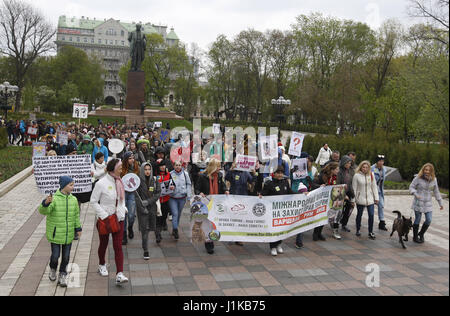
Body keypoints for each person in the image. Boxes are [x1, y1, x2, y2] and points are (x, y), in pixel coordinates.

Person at [90, 158, 129, 284]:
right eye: (120, 167)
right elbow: (93, 201)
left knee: (118, 246)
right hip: (105, 219)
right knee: (104, 244)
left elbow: (121, 199)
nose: (122, 169)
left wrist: (124, 209)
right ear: (113, 168)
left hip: (119, 218)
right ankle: (102, 264)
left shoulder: (120, 181)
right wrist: (104, 215)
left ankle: (119, 274)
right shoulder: (101, 183)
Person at [39, 176, 82, 287]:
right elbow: (44, 211)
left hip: (68, 234)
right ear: (63, 186)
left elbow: (76, 215)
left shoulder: (73, 199)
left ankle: (62, 274)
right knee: (55, 255)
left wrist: (78, 228)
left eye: (73, 184)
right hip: (56, 234)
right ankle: (53, 268)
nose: (73, 187)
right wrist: (46, 203)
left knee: (66, 256)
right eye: (71, 185)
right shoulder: (54, 199)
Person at [195, 158, 229, 254]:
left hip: (216, 203)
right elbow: (197, 188)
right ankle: (208, 243)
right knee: (207, 223)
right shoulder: (202, 176)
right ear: (213, 167)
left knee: (213, 224)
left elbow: (222, 186)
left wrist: (225, 190)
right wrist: (200, 193)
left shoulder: (219, 176)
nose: (219, 168)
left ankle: (211, 240)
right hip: (206, 203)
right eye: (218, 166)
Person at [260, 165, 294, 256]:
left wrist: (302, 194)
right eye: (278, 173)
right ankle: (273, 247)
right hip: (272, 211)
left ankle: (279, 244)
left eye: (281, 173)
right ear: (273, 174)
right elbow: (263, 194)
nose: (280, 175)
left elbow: (291, 193)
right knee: (273, 229)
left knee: (282, 228)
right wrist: (260, 196)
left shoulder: (285, 182)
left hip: (282, 210)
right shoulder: (269, 184)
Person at [409, 163, 444, 244]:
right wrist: (415, 194)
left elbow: (436, 192)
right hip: (418, 202)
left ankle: (421, 234)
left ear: (431, 171)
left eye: (429, 170)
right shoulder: (417, 178)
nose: (427, 171)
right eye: (425, 169)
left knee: (428, 220)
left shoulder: (434, 180)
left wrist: (440, 203)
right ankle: (415, 237)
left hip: (428, 203)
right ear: (423, 170)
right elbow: (411, 187)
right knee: (417, 219)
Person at [135, 162, 161, 259]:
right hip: (142, 209)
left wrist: (148, 201)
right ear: (142, 170)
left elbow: (158, 193)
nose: (147, 171)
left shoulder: (154, 180)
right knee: (144, 229)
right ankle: (145, 250)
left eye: (149, 169)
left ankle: (146, 244)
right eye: (145, 169)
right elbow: (136, 196)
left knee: (150, 228)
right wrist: (142, 207)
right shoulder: (138, 181)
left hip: (152, 208)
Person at [311, 162, 340, 241]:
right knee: (319, 216)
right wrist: (320, 186)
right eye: (337, 169)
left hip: (328, 199)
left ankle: (319, 233)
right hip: (320, 199)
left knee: (325, 216)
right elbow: (313, 184)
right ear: (332, 169)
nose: (338, 171)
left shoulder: (334, 177)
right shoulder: (321, 176)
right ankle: (315, 233)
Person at [352, 161, 379, 240]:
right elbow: (354, 188)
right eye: (363, 167)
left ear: (369, 168)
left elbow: (374, 187)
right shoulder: (356, 176)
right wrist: (353, 200)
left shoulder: (371, 175)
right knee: (359, 214)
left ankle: (370, 232)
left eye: (367, 167)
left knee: (371, 215)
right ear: (361, 167)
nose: (365, 169)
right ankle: (358, 229)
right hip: (360, 198)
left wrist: (376, 198)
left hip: (370, 199)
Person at [169, 161, 193, 240]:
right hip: (173, 198)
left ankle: (174, 227)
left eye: (179, 165)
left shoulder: (185, 174)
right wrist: (170, 187)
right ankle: (176, 230)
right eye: (176, 165)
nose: (178, 167)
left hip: (182, 198)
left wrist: (189, 195)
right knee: (175, 213)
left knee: (178, 214)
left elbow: (189, 184)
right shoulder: (170, 174)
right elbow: (166, 184)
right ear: (174, 166)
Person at [120, 151, 140, 245]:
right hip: (123, 194)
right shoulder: (120, 169)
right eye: (129, 158)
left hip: (132, 193)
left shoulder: (136, 168)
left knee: (131, 214)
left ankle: (130, 227)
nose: (132, 160)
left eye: (133, 158)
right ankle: (123, 234)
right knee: (123, 215)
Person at [155, 158, 172, 242]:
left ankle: (162, 225)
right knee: (158, 217)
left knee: (164, 215)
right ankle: (158, 234)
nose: (162, 167)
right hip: (157, 201)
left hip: (166, 199)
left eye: (163, 165)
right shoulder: (154, 176)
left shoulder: (169, 174)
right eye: (160, 166)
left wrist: (173, 187)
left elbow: (173, 184)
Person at [337, 155, 355, 232]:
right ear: (344, 163)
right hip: (340, 193)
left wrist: (353, 194)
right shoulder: (339, 171)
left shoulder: (351, 171)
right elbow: (338, 184)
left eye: (350, 163)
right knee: (339, 210)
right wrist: (344, 195)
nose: (349, 165)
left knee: (348, 209)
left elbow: (350, 183)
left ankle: (344, 224)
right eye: (348, 163)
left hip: (348, 192)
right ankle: (336, 224)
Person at [371, 155, 387, 231]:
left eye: (382, 161)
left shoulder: (384, 169)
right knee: (367, 206)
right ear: (376, 161)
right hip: (371, 191)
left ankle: (382, 222)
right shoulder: (372, 169)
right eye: (380, 161)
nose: (381, 162)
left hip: (379, 191)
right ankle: (360, 219)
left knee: (381, 205)